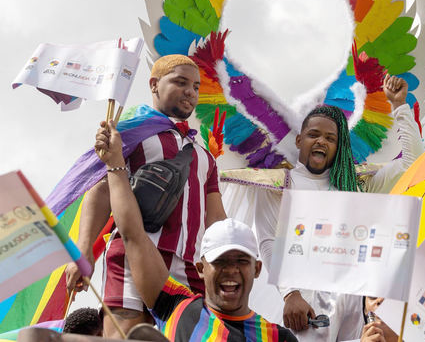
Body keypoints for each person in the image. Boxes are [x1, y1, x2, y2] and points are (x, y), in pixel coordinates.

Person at [248, 73, 424, 341]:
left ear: (338, 146)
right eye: (313, 135)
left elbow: (412, 164)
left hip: (352, 302)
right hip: (305, 301)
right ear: (299, 141)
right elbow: (268, 241)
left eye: (330, 138)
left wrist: (399, 106)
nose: (321, 142)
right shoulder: (279, 183)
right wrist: (290, 293)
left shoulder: (357, 186)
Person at [65, 55, 227, 338]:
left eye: (196, 86)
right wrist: (82, 251)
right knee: (124, 335)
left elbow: (216, 219)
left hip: (189, 268)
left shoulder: (205, 157)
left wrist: (228, 260)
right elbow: (101, 190)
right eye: (180, 82)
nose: (190, 91)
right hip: (130, 257)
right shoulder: (127, 134)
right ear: (154, 85)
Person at [95, 119, 297, 341]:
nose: (230, 270)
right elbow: (133, 234)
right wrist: (115, 164)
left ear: (257, 269)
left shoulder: (279, 338)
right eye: (220, 261)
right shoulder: (176, 307)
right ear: (201, 268)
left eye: (241, 261)